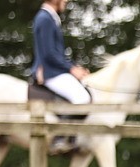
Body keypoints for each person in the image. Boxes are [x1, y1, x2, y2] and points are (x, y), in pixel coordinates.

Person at [30, 0, 90, 154]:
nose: (66, 1)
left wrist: (75, 68)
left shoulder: (50, 18)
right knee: (82, 98)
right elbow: (49, 54)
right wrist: (71, 69)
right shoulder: (45, 18)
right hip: (50, 72)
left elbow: (56, 53)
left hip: (54, 70)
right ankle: (60, 139)